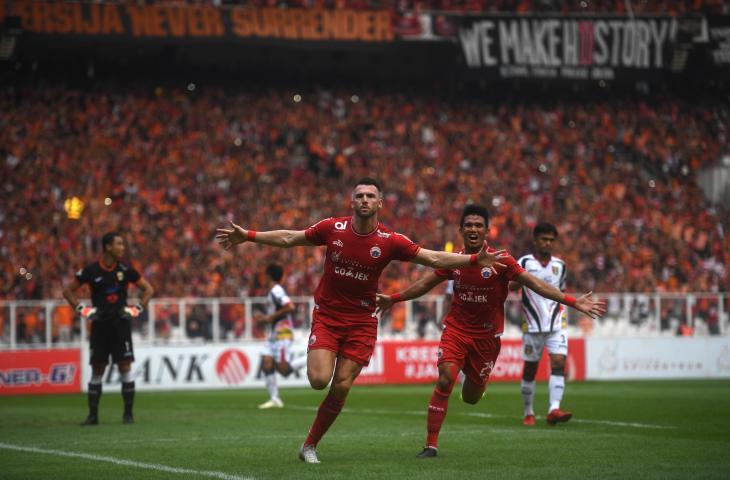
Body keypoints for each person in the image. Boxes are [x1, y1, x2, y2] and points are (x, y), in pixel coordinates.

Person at [215, 178, 508, 464]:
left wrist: (472, 260)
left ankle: (309, 445)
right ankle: (311, 438)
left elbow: (434, 259)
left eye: (370, 196)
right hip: (328, 317)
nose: (365, 200)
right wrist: (249, 236)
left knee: (341, 386)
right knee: (318, 380)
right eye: (360, 196)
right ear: (352, 201)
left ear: (379, 203)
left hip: (362, 321)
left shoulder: (390, 241)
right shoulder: (333, 228)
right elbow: (290, 238)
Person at [376, 205, 605, 458]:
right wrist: (393, 298)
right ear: (461, 230)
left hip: (487, 339)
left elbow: (535, 284)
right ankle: (431, 445)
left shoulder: (502, 261)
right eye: (469, 225)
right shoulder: (455, 262)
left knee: (471, 397)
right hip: (456, 331)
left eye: (478, 225)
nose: (473, 229)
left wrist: (573, 302)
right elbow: (424, 284)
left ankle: (477, 383)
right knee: (445, 377)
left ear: (486, 230)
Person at [62, 231, 154, 426]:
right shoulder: (91, 271)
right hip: (100, 326)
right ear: (108, 247)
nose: (123, 247)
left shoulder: (126, 270)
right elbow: (68, 291)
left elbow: (149, 289)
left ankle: (128, 415)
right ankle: (93, 416)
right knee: (98, 369)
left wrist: (136, 310)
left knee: (125, 367)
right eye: (119, 244)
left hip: (121, 326)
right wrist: (83, 310)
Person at [515, 222, 575, 426]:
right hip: (532, 326)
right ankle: (528, 411)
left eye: (551, 240)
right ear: (535, 240)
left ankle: (554, 409)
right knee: (530, 369)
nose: (548, 243)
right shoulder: (524, 262)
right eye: (544, 239)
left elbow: (562, 291)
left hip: (557, 324)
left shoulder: (560, 265)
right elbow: (512, 284)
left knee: (558, 363)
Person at [256, 263, 308, 409]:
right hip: (274, 334)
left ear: (267, 276)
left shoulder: (276, 290)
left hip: (282, 333)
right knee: (266, 361)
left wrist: (270, 318)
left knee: (283, 370)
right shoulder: (273, 291)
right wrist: (267, 318)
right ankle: (274, 399)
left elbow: (290, 307)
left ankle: (312, 359)